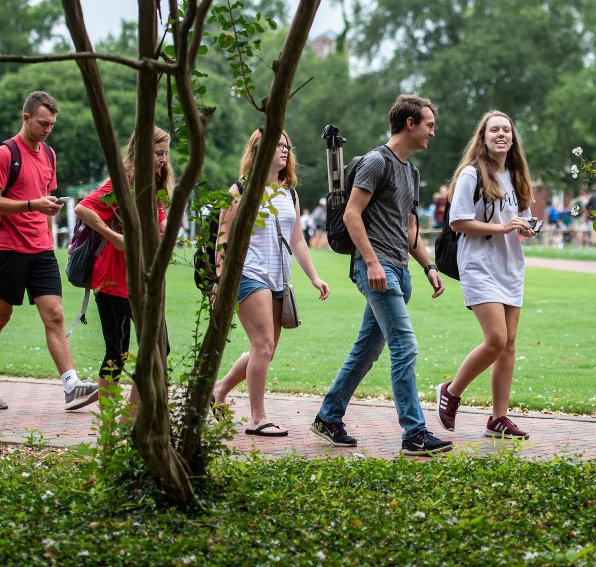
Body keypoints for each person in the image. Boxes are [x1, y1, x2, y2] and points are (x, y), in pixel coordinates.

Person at [312, 95, 451, 456]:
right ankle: (414, 433)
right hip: (378, 269)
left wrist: (429, 266)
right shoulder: (377, 162)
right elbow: (351, 215)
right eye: (429, 125)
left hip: (400, 272)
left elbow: (409, 231)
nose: (432, 133)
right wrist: (372, 262)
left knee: (367, 350)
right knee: (405, 347)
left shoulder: (411, 170)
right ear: (409, 123)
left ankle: (328, 416)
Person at [0, 91, 98, 411]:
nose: (47, 130)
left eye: (52, 125)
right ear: (26, 118)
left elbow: (45, 201)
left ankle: (71, 386)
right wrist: (31, 205)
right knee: (0, 316)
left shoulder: (49, 154)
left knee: (54, 314)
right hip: (8, 249)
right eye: (42, 123)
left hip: (41, 248)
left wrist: (55, 237)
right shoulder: (4, 154)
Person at [211, 129, 330, 436]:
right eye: (276, 146)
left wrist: (314, 277)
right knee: (262, 345)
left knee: (266, 349)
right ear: (257, 150)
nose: (283, 151)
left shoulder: (289, 192)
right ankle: (257, 418)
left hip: (280, 278)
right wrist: (220, 282)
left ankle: (220, 389)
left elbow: (298, 240)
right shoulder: (240, 190)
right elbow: (221, 239)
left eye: (285, 146)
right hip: (249, 276)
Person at [435, 111, 537, 439]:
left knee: (508, 344)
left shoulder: (517, 174)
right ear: (484, 136)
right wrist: (503, 226)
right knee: (495, 339)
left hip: (510, 265)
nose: (501, 134)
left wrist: (527, 227)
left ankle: (498, 419)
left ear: (512, 138)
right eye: (494, 129)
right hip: (478, 264)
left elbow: (521, 217)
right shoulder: (471, 173)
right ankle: (451, 390)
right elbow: (458, 221)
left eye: (506, 129)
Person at [73, 126, 173, 408]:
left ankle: (130, 414)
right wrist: (114, 236)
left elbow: (160, 218)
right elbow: (82, 208)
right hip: (113, 280)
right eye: (157, 153)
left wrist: (165, 229)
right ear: (141, 151)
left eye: (165, 153)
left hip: (143, 279)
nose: (163, 159)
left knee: (159, 348)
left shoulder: (154, 183)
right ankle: (108, 423)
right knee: (117, 352)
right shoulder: (123, 182)